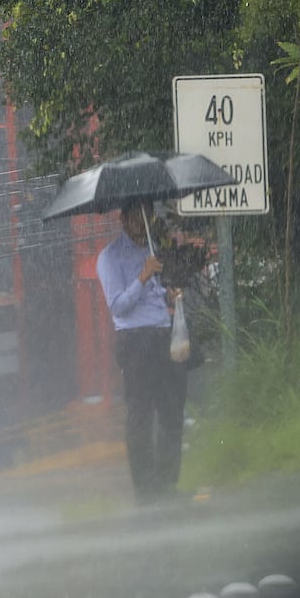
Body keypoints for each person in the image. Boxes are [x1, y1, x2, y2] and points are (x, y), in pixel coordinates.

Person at [96, 202, 188, 505]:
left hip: (163, 333)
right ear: (122, 219)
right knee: (140, 415)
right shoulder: (110, 257)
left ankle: (167, 484)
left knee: (172, 411)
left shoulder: (152, 248)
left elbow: (156, 294)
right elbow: (119, 306)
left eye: (144, 217)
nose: (139, 223)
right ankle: (146, 490)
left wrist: (167, 292)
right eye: (134, 217)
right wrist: (143, 276)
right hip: (135, 341)